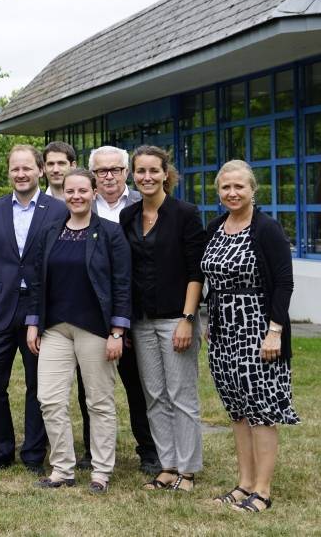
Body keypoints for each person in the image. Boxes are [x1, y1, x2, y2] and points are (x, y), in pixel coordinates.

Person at [27, 168, 131, 495]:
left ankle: (101, 471)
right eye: (70, 191)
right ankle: (62, 468)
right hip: (55, 328)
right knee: (49, 399)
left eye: (83, 191)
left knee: (98, 401)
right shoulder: (49, 232)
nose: (76, 196)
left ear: (94, 192)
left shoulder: (111, 233)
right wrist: (33, 322)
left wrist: (117, 331)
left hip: (96, 329)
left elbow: (122, 285)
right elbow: (37, 282)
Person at [202, 160, 298, 513]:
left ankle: (263, 490)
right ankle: (243, 484)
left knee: (262, 411)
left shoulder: (267, 229)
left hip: (258, 330)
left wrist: (275, 330)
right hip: (223, 332)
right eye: (225, 187)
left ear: (253, 189)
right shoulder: (215, 227)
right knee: (238, 411)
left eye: (239, 186)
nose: (232, 193)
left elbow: (284, 283)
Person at [0, 145, 67, 474]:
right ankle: (0, 450)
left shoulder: (58, 209)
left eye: (27, 168)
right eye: (14, 169)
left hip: (41, 309)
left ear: (40, 171)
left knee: (39, 383)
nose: (20, 174)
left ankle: (34, 454)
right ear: (8, 172)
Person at [120, 145, 207, 492]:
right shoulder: (128, 216)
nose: (147, 177)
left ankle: (187, 471)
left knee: (181, 395)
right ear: (133, 175)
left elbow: (195, 272)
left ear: (165, 173)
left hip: (176, 318)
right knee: (154, 394)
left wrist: (188, 318)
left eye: (153, 171)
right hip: (141, 320)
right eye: (140, 171)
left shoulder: (185, 213)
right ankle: (167, 465)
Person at [85, 145, 159, 474]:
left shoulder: (141, 205)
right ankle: (93, 450)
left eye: (115, 169)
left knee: (137, 384)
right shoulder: (83, 205)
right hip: (90, 312)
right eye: (102, 171)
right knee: (91, 386)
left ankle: (149, 450)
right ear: (93, 176)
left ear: (126, 172)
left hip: (135, 309)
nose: (109, 176)